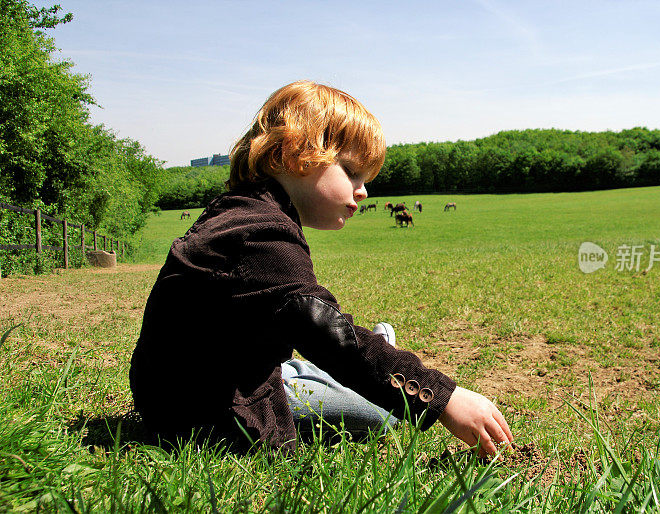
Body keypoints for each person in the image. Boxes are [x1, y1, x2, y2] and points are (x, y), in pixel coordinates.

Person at [129, 80, 513, 457]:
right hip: (211, 416)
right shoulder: (263, 236)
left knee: (355, 378)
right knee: (381, 415)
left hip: (174, 396)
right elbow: (334, 340)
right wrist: (443, 398)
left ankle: (323, 370)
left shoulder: (236, 214)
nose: (363, 191)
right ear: (298, 155)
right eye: (351, 172)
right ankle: (346, 367)